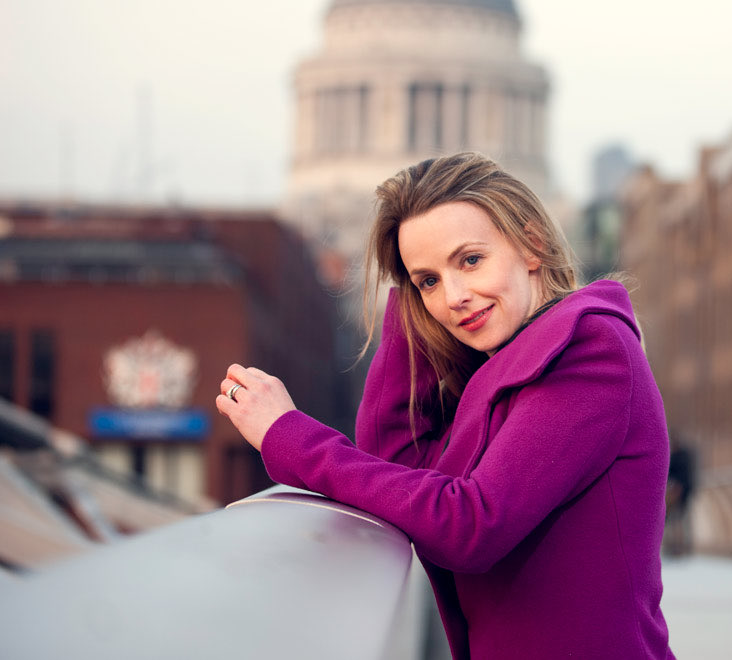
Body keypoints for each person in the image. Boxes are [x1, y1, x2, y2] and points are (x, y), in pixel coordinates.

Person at [215, 152, 675, 659]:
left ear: (532, 245)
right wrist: (410, 302)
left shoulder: (587, 348)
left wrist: (288, 435)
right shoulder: (505, 366)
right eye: (428, 280)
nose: (453, 296)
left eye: (470, 260)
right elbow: (394, 462)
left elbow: (471, 525)